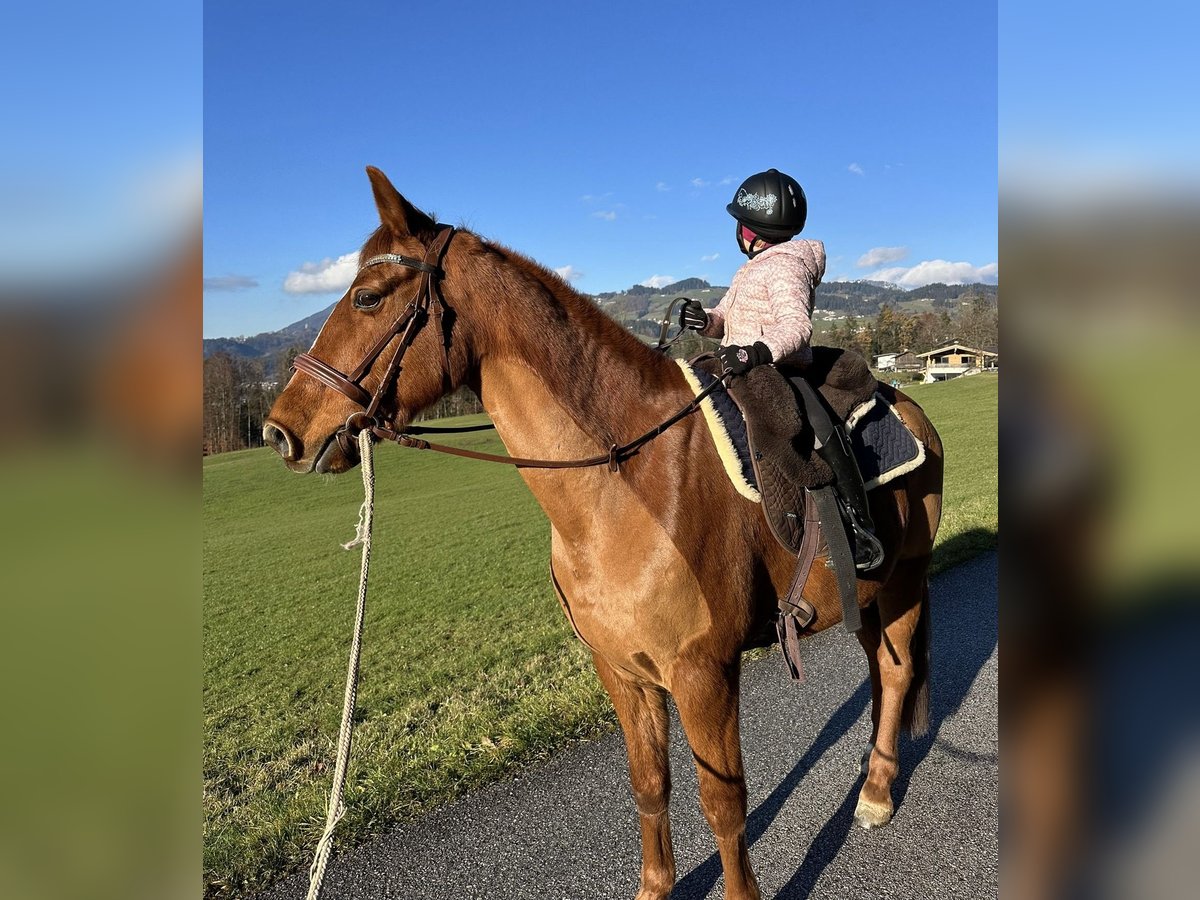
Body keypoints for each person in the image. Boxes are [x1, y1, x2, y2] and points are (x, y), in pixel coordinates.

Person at [678, 168, 884, 570]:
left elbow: (796, 326)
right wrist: (704, 320)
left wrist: (755, 352)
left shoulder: (786, 265)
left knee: (816, 431)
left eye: (739, 222)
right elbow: (725, 319)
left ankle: (858, 526)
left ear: (751, 228)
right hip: (742, 364)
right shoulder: (750, 269)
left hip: (778, 370)